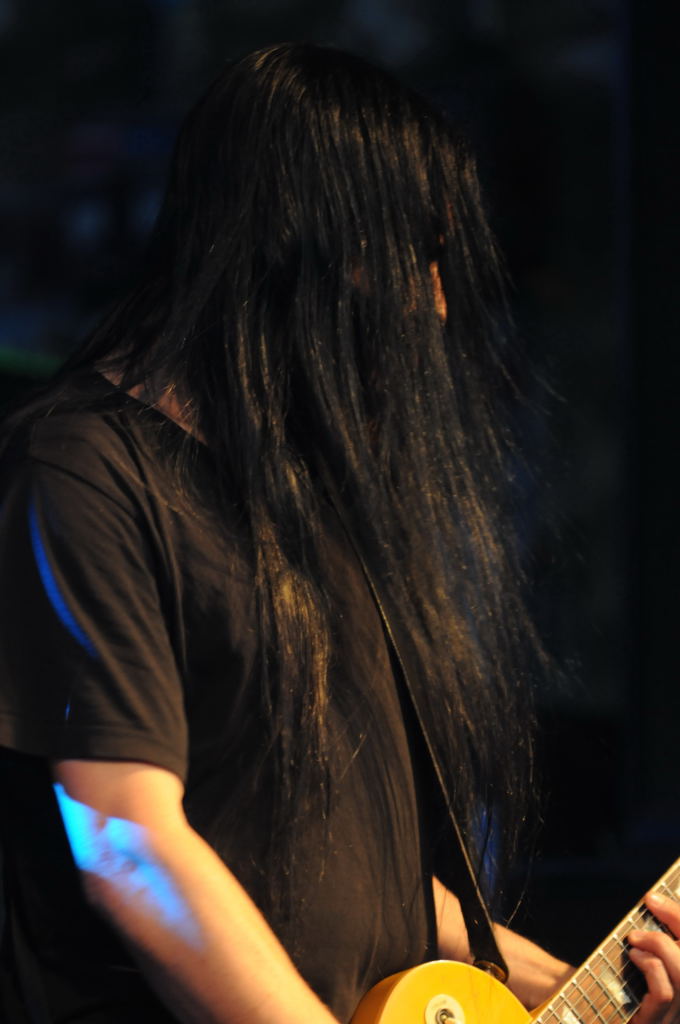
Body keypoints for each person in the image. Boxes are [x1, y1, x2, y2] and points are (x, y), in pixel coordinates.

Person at [0, 42, 678, 1024]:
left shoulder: (310, 511)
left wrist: (581, 987)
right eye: (422, 257)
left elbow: (358, 881)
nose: (436, 303)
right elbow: (127, 842)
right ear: (323, 245)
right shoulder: (85, 471)